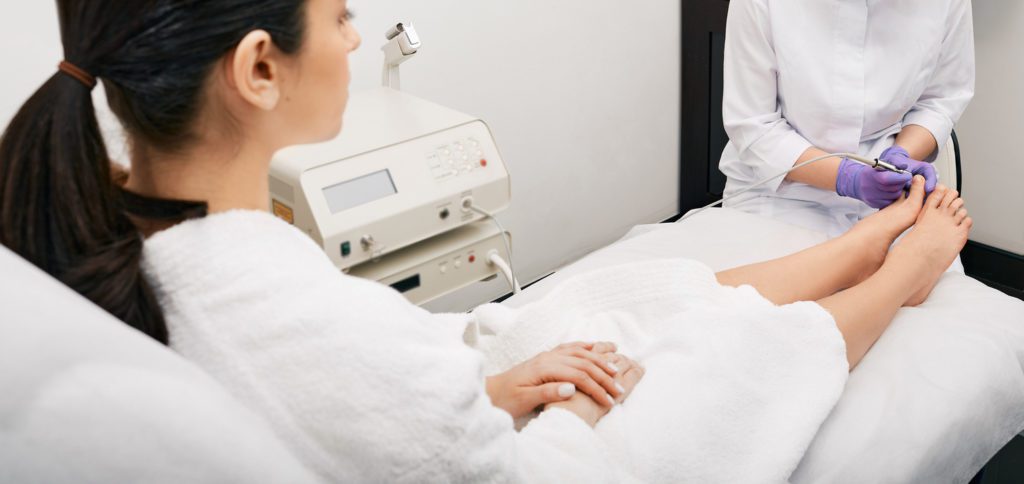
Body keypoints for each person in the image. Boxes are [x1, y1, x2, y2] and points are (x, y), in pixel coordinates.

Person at [0, 0, 972, 481]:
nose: (351, 37)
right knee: (731, 351)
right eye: (340, 17)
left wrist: (497, 385)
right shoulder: (272, 301)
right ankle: (904, 265)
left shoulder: (154, 244)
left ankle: (872, 239)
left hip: (463, 389)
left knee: (638, 297)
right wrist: (523, 406)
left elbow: (380, 389)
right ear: (259, 68)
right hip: (532, 454)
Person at [719, 0, 975, 237]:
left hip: (895, 196)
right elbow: (754, 125)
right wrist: (848, 178)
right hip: (780, 194)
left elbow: (940, 99)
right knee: (809, 282)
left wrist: (902, 156)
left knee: (917, 276)